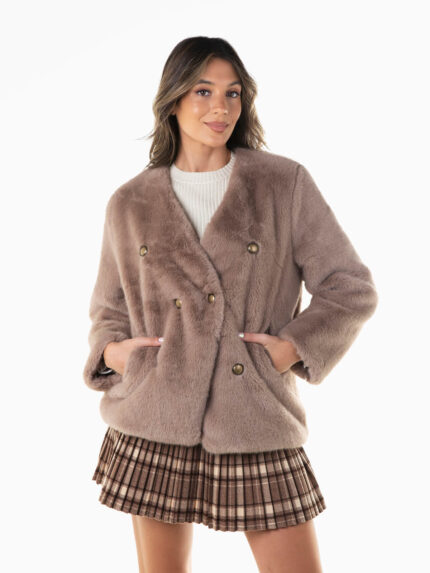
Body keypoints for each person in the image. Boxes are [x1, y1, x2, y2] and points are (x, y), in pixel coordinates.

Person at [84, 36, 378, 573]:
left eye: (232, 93)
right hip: (154, 414)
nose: (220, 107)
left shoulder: (282, 184)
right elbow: (109, 306)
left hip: (253, 413)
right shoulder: (130, 202)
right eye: (203, 91)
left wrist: (291, 349)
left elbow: (350, 286)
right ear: (173, 99)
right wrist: (114, 353)